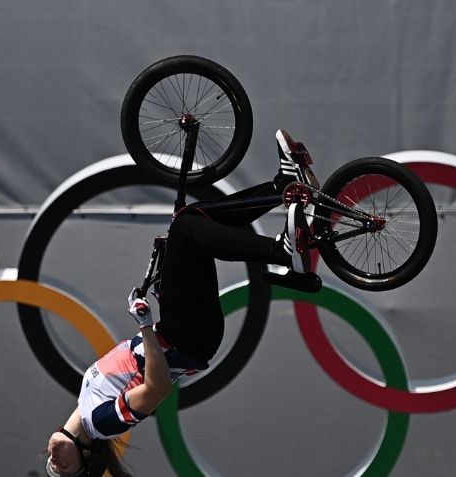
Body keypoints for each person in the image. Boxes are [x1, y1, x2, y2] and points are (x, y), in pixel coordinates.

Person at [44, 130, 320, 477]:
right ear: (88, 458)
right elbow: (157, 388)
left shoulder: (87, 406)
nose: (55, 463)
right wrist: (145, 325)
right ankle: (281, 252)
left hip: (183, 333)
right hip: (185, 337)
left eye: (52, 467)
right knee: (186, 230)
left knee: (195, 221)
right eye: (65, 470)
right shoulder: (101, 423)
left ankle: (285, 187)